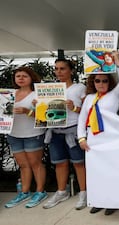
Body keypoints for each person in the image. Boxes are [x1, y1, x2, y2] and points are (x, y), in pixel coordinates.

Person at [78, 51, 119, 216]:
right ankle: (99, 200)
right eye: (97, 80)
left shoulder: (115, 95)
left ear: (109, 82)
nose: (101, 83)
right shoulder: (89, 98)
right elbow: (82, 119)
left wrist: (117, 62)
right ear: (93, 82)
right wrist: (81, 138)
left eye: (104, 80)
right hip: (93, 141)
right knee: (96, 172)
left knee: (112, 171)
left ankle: (113, 201)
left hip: (111, 139)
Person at [42, 59, 87, 210]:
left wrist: (74, 108)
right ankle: (62, 191)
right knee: (59, 163)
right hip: (55, 130)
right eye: (56, 69)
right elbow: (43, 114)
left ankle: (83, 192)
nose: (59, 72)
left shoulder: (80, 88)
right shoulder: (50, 88)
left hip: (73, 129)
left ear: (71, 71)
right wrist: (39, 106)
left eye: (62, 68)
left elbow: (88, 112)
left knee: (79, 163)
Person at [4, 67, 47, 208]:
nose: (21, 78)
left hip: (32, 134)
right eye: (18, 76)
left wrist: (28, 111)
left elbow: (44, 117)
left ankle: (40, 191)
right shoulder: (8, 94)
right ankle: (24, 192)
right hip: (13, 133)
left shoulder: (37, 94)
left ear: (31, 78)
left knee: (36, 164)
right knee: (23, 165)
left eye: (24, 76)